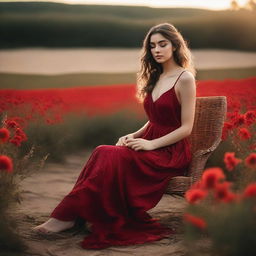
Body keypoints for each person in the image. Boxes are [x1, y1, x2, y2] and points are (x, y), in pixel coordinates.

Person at [33, 22, 196, 249]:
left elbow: (186, 127)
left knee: (107, 154)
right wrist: (133, 134)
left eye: (162, 44)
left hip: (170, 152)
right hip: (151, 141)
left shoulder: (185, 78)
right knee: (103, 151)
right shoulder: (156, 78)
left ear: (175, 45)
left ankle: (68, 217)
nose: (157, 50)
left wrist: (151, 144)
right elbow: (156, 119)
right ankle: (72, 215)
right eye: (152, 46)